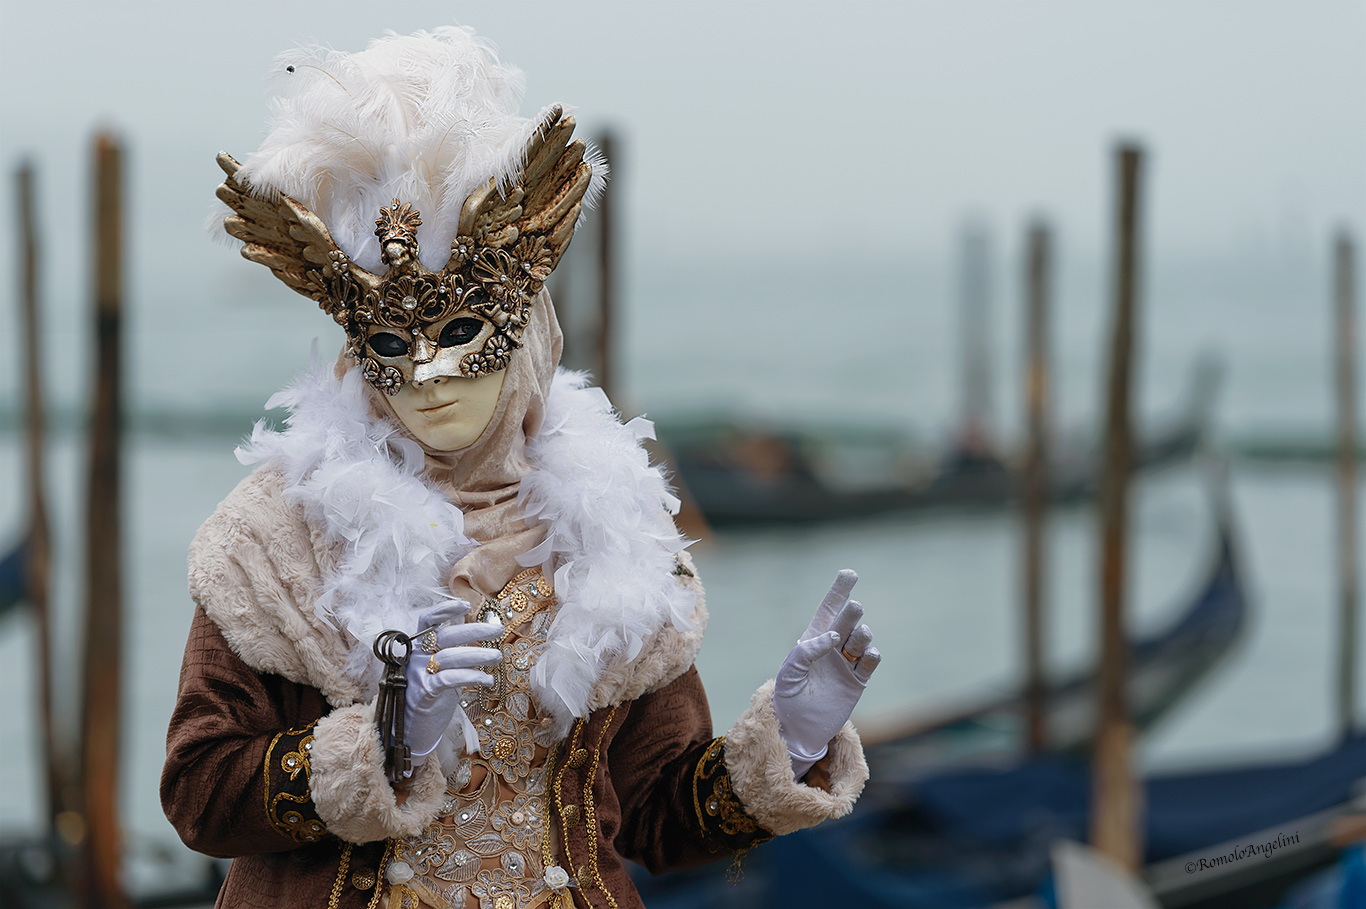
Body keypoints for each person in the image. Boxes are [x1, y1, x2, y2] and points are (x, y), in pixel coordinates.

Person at [162, 26, 881, 909]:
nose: (428, 377)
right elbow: (197, 789)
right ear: (357, 353)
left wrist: (789, 744)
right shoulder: (276, 539)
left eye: (464, 336)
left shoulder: (612, 531)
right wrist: (376, 742)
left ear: (529, 335)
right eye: (391, 345)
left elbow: (653, 813)